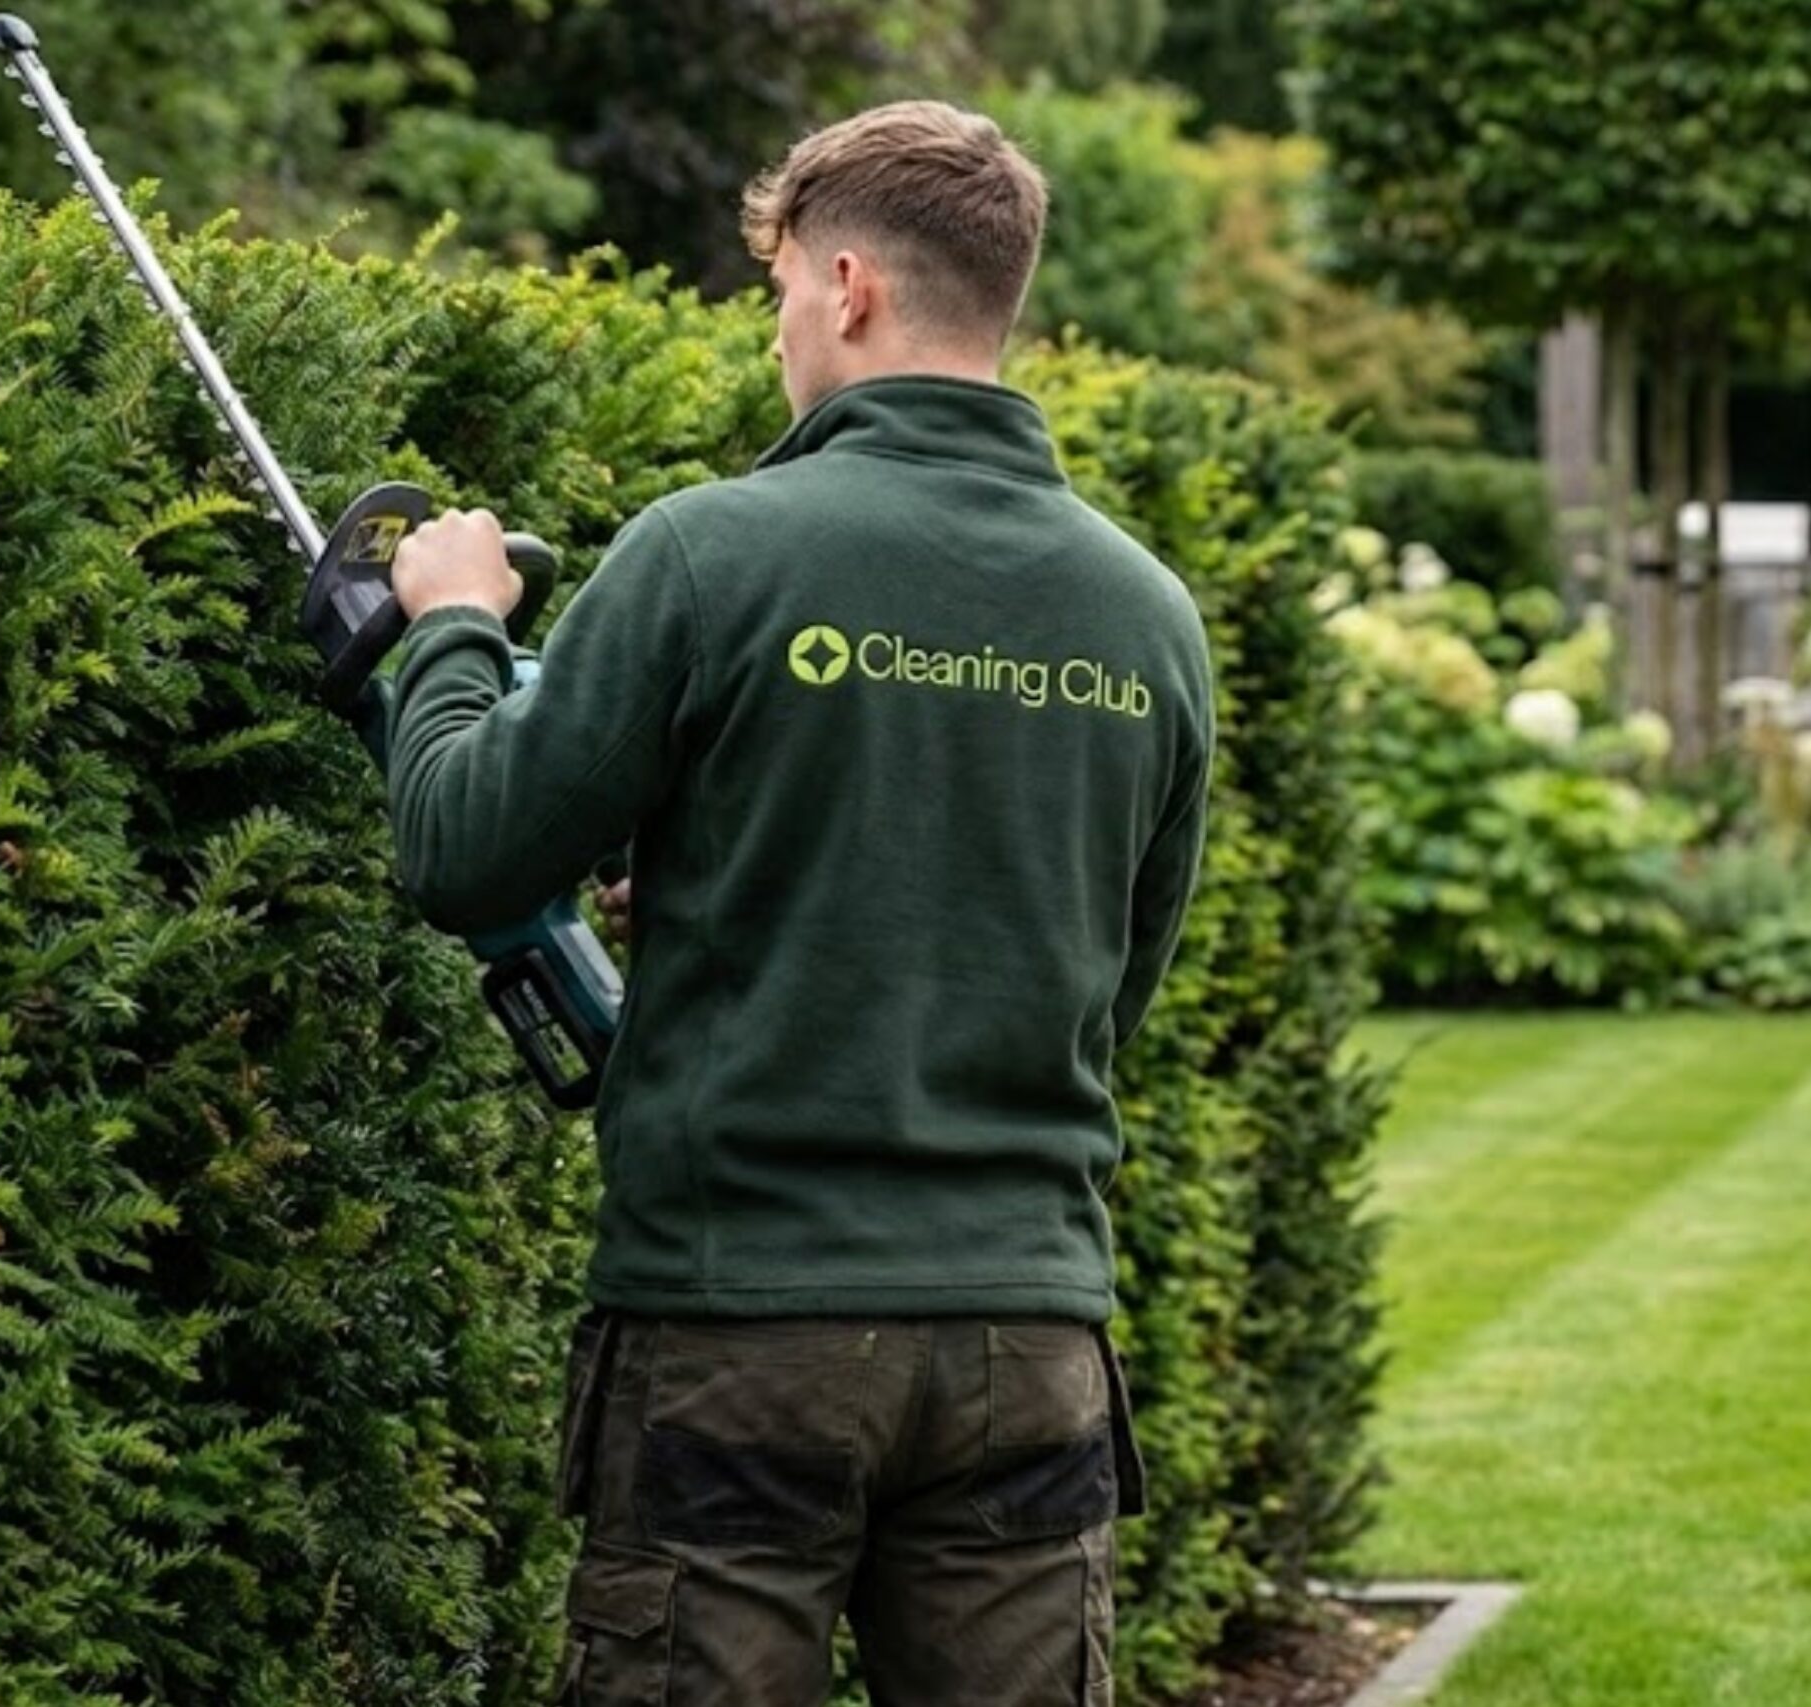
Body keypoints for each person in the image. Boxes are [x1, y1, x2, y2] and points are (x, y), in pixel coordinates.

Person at [382, 99, 1214, 1707]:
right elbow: (1109, 988)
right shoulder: (1149, 615)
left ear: (846, 287)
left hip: (736, 1332)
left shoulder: (713, 555)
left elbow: (466, 851)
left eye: (775, 298)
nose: (777, 340)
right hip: (1027, 1342)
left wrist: (455, 627)